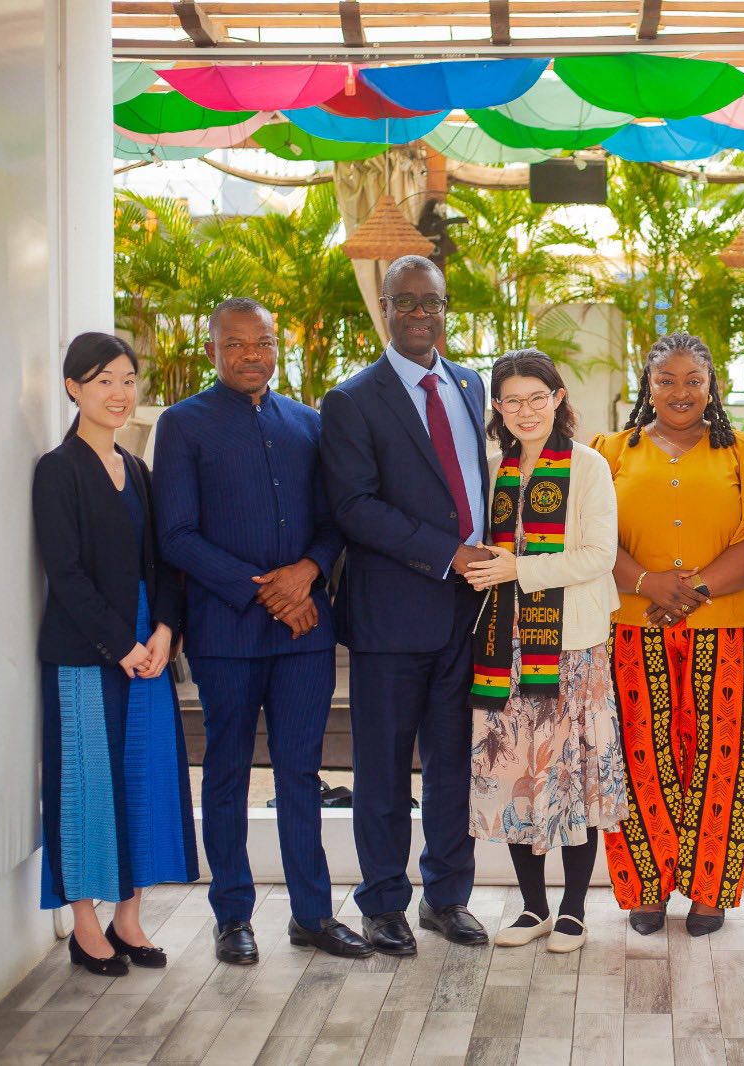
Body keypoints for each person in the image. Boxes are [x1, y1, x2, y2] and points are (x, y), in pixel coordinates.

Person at [153, 298, 370, 965]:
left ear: (279, 347)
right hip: (226, 634)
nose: (252, 355)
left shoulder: (308, 423)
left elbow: (337, 521)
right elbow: (178, 536)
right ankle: (231, 916)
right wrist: (271, 593)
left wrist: (306, 572)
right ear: (213, 347)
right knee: (224, 773)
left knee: (301, 774)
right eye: (237, 344)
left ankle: (312, 915)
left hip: (303, 636)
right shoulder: (182, 425)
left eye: (264, 342)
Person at [320, 255, 490, 955]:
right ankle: (383, 902)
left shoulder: (472, 385)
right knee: (385, 770)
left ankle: (447, 898)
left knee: (453, 763)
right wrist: (446, 551)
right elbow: (355, 508)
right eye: (407, 303)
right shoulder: (352, 400)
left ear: (446, 309)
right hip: (392, 615)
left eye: (433, 304)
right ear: (385, 310)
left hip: (469, 613)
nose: (421, 315)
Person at [595, 332, 744, 937]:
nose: (679, 392)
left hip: (727, 627)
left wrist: (688, 590)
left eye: (692, 380)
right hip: (630, 625)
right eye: (666, 380)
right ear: (647, 384)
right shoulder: (608, 453)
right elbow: (592, 540)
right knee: (639, 755)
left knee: (719, 760)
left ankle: (708, 893)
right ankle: (647, 887)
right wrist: (649, 584)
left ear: (711, 385)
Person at [33, 332, 198, 976]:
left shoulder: (139, 472)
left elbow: (163, 563)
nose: (119, 393)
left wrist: (161, 630)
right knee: (85, 784)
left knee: (143, 775)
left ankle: (128, 919)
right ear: (73, 388)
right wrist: (123, 643)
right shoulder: (57, 469)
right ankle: (83, 925)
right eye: (103, 379)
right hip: (88, 649)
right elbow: (65, 574)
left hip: (146, 647)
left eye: (128, 379)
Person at [463, 350, 630, 954]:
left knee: (572, 776)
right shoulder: (492, 469)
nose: (525, 411)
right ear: (498, 409)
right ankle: (532, 907)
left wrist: (519, 568)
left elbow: (598, 556)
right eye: (512, 400)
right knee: (515, 777)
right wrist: (491, 570)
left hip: (572, 648)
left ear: (558, 399)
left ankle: (574, 910)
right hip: (500, 646)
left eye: (537, 398)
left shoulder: (587, 467)